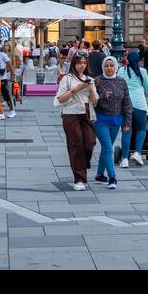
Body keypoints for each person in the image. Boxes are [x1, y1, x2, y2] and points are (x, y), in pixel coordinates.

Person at [56, 52, 98, 190]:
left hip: (86, 112)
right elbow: (60, 99)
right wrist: (75, 89)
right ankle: (79, 178)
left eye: (84, 63)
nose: (82, 65)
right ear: (74, 64)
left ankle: (81, 164)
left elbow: (95, 101)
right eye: (79, 62)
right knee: (76, 144)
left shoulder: (89, 79)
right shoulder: (67, 79)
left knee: (90, 142)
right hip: (70, 113)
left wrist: (91, 89)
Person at [92, 55, 129, 186]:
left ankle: (100, 174)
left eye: (111, 65)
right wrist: (102, 97)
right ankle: (112, 177)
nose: (109, 68)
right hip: (100, 120)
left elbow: (127, 103)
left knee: (106, 148)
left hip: (116, 121)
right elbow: (92, 101)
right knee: (108, 148)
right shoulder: (97, 81)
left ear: (115, 67)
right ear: (103, 67)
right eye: (106, 66)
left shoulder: (121, 82)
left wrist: (127, 123)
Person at [121, 51, 148, 166]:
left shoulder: (121, 71)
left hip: (125, 105)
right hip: (139, 104)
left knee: (126, 130)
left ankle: (124, 158)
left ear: (127, 60)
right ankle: (137, 153)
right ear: (139, 61)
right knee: (141, 129)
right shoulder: (142, 72)